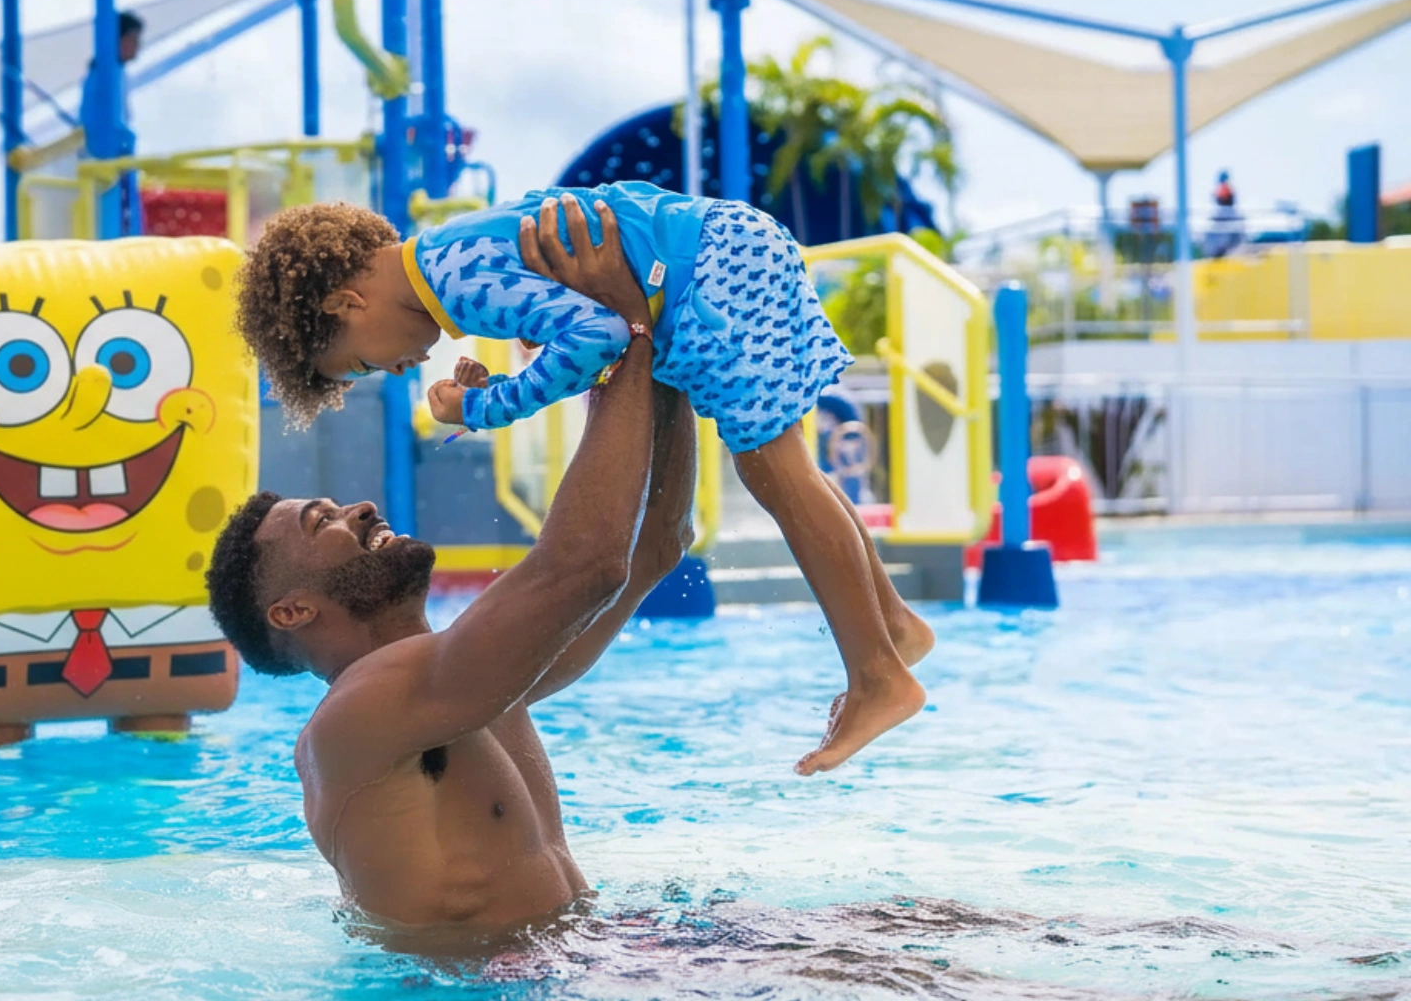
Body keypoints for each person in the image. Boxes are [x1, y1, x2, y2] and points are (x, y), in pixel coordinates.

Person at [233, 186, 932, 776]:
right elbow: (593, 326)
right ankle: (891, 624)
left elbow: (599, 336)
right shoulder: (452, 249)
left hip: (704, 266)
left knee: (771, 464)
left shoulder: (456, 283)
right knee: (779, 457)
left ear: (346, 303)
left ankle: (875, 671)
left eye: (358, 365)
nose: (389, 372)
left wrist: (485, 407)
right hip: (720, 248)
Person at [207, 209, 696, 930]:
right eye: (323, 523)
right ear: (291, 610)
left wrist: (664, 347)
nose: (362, 508)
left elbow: (657, 543)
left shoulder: (481, 685)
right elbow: (586, 565)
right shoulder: (352, 723)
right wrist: (626, 323)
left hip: (590, 957)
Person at [79, 10, 144, 235]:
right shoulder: (107, 75)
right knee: (120, 225)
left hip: (109, 162)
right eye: (132, 39)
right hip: (109, 164)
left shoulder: (109, 74)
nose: (137, 45)